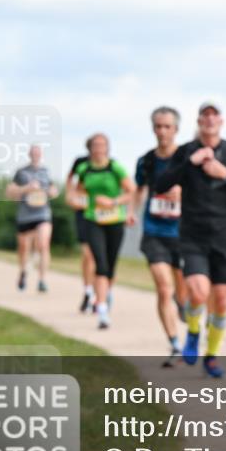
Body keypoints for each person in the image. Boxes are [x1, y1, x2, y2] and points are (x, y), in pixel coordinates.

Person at [155, 102, 226, 378]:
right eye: (205, 115)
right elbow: (161, 184)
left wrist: (225, 174)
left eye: (215, 115)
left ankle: (211, 356)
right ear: (199, 122)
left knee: (222, 301)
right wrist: (190, 162)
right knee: (199, 292)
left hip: (224, 235)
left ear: (221, 121)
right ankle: (192, 331)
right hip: (193, 234)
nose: (210, 120)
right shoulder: (185, 152)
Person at [134, 106, 189, 366]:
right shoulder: (146, 160)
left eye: (167, 126)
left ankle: (183, 303)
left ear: (176, 129)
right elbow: (139, 189)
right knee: (163, 288)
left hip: (184, 232)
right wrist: (132, 212)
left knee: (182, 292)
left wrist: (182, 192)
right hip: (154, 231)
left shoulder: (187, 157)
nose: (162, 131)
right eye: (158, 126)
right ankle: (175, 344)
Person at [73, 133, 136, 329]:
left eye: (103, 145)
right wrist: (79, 200)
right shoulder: (84, 169)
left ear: (107, 148)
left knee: (110, 264)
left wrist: (113, 202)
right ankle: (101, 309)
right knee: (99, 262)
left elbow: (130, 190)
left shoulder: (114, 167)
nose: (99, 148)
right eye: (95, 145)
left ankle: (106, 293)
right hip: (93, 219)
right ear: (90, 148)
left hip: (115, 219)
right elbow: (79, 190)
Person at [6, 145, 58, 292]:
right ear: (29, 154)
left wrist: (51, 192)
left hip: (43, 213)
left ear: (41, 155)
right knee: (23, 248)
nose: (36, 155)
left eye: (38, 153)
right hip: (25, 215)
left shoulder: (46, 172)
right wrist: (26, 189)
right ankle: (23, 272)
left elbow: (54, 190)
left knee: (43, 244)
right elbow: (9, 192)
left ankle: (42, 280)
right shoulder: (21, 172)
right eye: (33, 152)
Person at [66, 144, 98, 312]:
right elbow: (70, 178)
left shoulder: (110, 165)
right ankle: (88, 291)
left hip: (101, 214)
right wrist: (70, 195)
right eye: (95, 146)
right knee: (88, 254)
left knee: (98, 256)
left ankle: (99, 292)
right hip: (84, 212)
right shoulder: (81, 163)